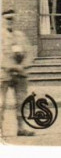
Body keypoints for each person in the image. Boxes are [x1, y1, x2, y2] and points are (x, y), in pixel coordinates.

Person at [1, 9, 35, 137]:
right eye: (7, 19)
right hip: (4, 74)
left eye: (12, 19)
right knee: (1, 103)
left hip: (20, 75)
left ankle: (21, 128)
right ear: (2, 20)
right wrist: (13, 67)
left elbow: (29, 52)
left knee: (22, 102)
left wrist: (23, 66)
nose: (10, 22)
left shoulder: (20, 35)